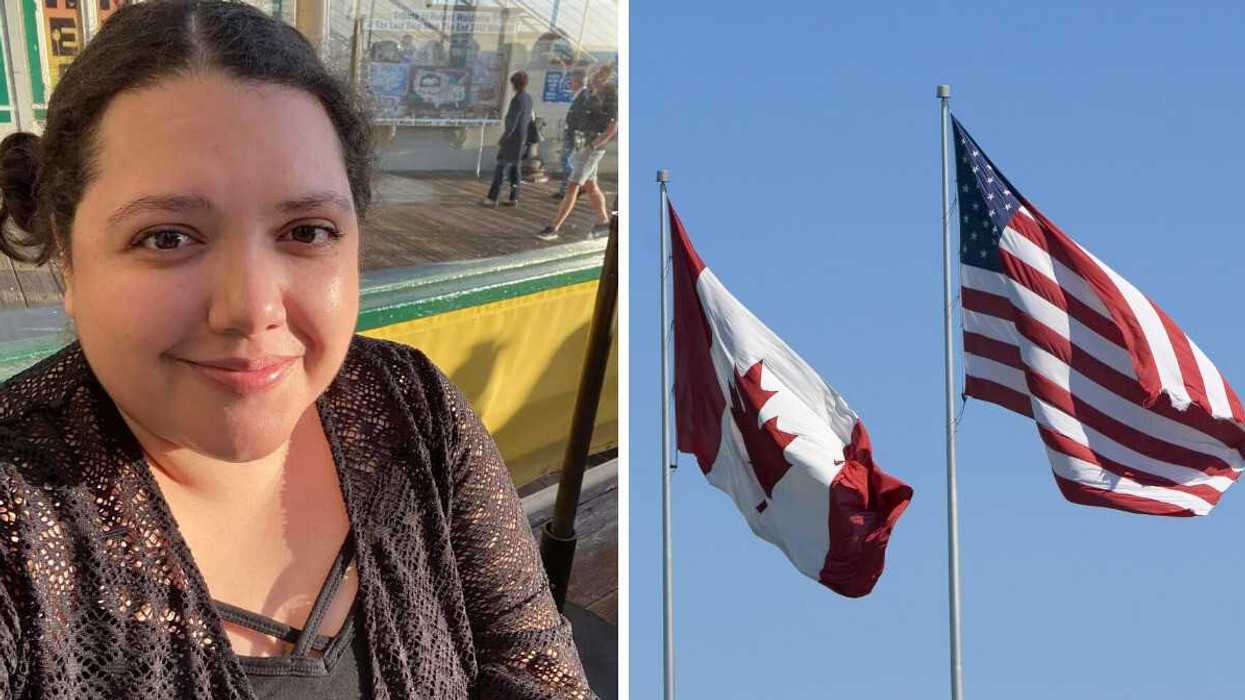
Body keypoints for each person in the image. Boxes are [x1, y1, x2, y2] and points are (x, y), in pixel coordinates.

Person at [0, 3, 594, 698]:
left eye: (307, 231)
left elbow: (533, 667)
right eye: (167, 237)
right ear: (67, 259)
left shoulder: (414, 412)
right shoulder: (18, 519)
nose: (253, 309)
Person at [538, 64, 617, 241]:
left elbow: (613, 127)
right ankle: (603, 221)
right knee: (591, 185)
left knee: (573, 185)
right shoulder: (590, 93)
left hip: (592, 147)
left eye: (597, 75)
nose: (593, 77)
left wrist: (595, 144)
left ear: (604, 77)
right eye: (592, 74)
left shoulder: (611, 96)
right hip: (582, 145)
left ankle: (554, 227)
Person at [481, 71, 533, 207]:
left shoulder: (517, 100)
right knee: (515, 169)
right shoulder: (528, 98)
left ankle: (492, 198)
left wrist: (503, 138)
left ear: (514, 84)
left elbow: (512, 123)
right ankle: (513, 197)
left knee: (501, 168)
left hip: (512, 140)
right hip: (522, 138)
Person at [551, 70, 587, 200]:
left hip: (574, 135)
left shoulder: (584, 96)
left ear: (577, 81)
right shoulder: (579, 95)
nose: (569, 83)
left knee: (568, 162)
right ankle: (572, 188)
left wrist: (574, 133)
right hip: (573, 134)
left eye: (571, 81)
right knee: (568, 162)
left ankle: (570, 189)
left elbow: (582, 118)